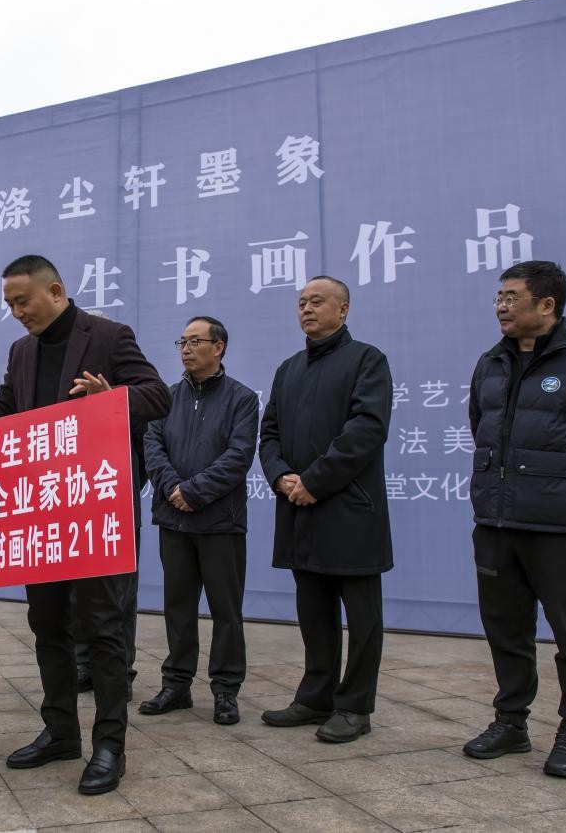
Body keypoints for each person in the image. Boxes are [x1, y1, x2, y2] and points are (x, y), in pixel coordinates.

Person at [0, 255, 170, 795]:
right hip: (41, 510)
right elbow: (7, 406)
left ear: (57, 291)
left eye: (23, 301)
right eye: (10, 305)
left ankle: (109, 744)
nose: (17, 312)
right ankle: (61, 731)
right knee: (47, 624)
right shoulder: (22, 351)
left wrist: (111, 399)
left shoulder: (109, 337)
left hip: (95, 510)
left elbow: (159, 395)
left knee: (103, 629)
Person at [462, 260, 566, 779]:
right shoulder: (490, 363)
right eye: (499, 297)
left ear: (547, 305)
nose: (501, 306)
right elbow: (480, 426)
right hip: (496, 525)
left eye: (512, 297)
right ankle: (511, 723)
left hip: (558, 528)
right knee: (506, 631)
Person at [258, 276, 393, 744]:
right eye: (301, 303)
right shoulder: (288, 369)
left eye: (317, 301)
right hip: (299, 509)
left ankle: (355, 706)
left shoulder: (367, 360)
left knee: (362, 618)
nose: (307, 309)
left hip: (349, 509)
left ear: (344, 309)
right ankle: (315, 696)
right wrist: (281, 476)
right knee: (313, 611)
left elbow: (366, 430)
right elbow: (269, 433)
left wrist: (313, 481)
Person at [139, 316, 258, 726]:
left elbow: (238, 457)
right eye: (182, 342)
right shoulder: (167, 398)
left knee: (226, 611)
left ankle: (225, 690)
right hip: (174, 521)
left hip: (220, 522)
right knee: (178, 607)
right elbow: (152, 445)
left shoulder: (242, 399)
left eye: (195, 341)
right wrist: (174, 487)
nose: (186, 349)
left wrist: (194, 491)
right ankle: (176, 685)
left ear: (218, 347)